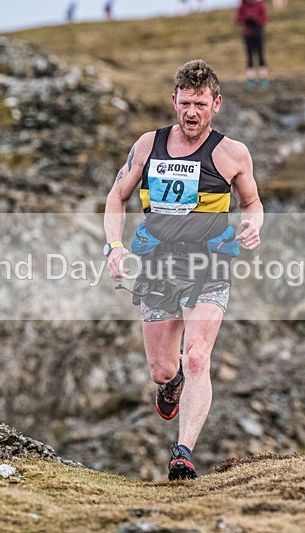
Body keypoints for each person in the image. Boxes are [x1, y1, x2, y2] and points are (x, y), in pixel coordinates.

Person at [103, 59, 263, 480]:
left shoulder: (232, 154)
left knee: (196, 359)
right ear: (174, 100)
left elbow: (253, 202)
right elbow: (116, 197)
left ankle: (183, 453)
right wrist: (114, 246)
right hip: (157, 267)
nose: (192, 112)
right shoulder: (147, 146)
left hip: (209, 265)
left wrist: (253, 225)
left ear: (217, 104)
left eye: (201, 104)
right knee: (164, 369)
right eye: (185, 103)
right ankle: (170, 386)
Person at [236, 0, 269, 90]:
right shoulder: (243, 5)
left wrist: (256, 20)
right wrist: (246, 19)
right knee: (249, 57)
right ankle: (250, 79)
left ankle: (263, 79)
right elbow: (238, 19)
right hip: (248, 35)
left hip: (258, 34)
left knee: (261, 56)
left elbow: (265, 18)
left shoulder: (260, 4)